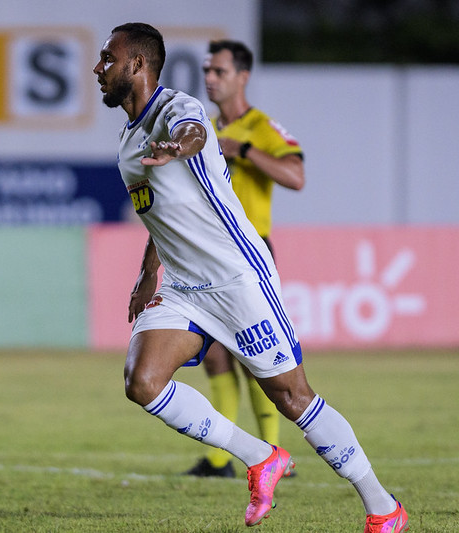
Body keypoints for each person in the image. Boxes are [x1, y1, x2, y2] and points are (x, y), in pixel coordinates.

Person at [93, 22, 408, 532]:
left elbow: (193, 133)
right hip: (184, 287)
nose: (97, 68)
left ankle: (382, 508)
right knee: (142, 381)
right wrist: (147, 272)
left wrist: (181, 146)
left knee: (291, 397)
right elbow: (161, 215)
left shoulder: (180, 110)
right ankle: (261, 457)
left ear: (137, 65)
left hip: (237, 275)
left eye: (108, 58)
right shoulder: (127, 142)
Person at [184, 40, 306, 479]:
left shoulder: (261, 128)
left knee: (255, 353)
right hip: (210, 252)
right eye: (207, 70)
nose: (209, 78)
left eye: (218, 71)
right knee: (214, 355)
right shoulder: (204, 130)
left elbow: (296, 176)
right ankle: (219, 462)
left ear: (242, 76)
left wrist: (247, 152)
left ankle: (275, 454)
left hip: (252, 252)